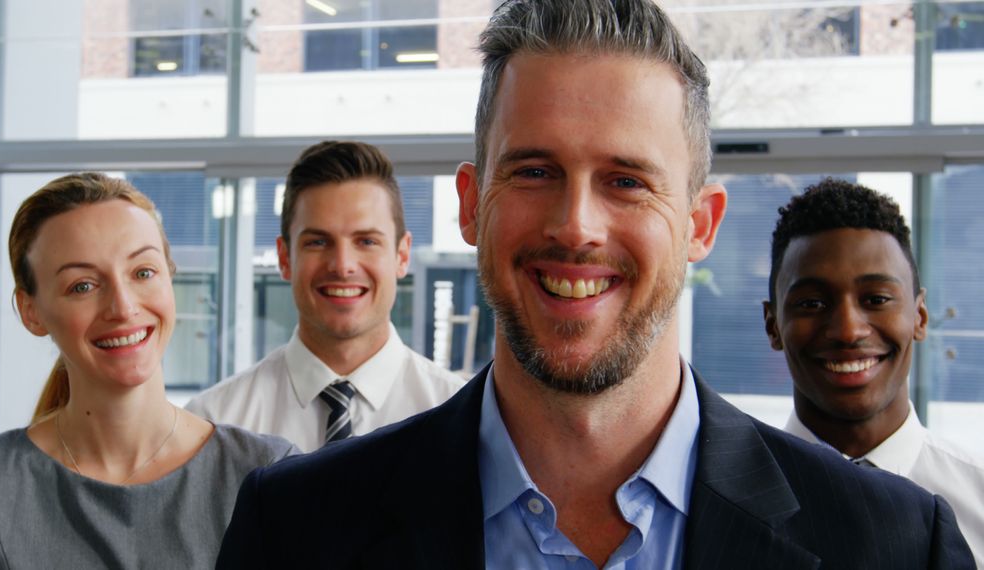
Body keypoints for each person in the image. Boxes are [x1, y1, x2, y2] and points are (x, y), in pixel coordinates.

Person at [216, 0, 974, 568]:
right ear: (470, 205)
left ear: (701, 224)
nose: (576, 226)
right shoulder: (293, 530)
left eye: (625, 179)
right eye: (536, 171)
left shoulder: (898, 546)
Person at [0, 173, 296, 569]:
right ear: (31, 311)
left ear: (169, 276)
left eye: (143, 272)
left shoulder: (268, 473)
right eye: (83, 286)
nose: (123, 307)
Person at [186, 141, 465, 452]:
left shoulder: (462, 416)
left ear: (402, 255)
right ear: (284, 257)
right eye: (318, 242)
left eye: (366, 241)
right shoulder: (213, 423)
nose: (342, 266)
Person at [763, 178, 984, 566]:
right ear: (773, 325)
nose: (848, 330)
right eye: (812, 303)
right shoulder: (715, 501)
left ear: (919, 315)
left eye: (877, 299)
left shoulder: (978, 499)